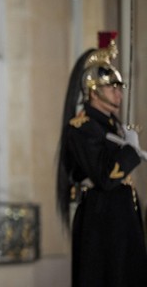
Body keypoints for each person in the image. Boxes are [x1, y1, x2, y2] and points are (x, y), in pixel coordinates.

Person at [56, 31, 147, 286]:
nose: (118, 94)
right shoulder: (82, 127)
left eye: (119, 88)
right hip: (102, 220)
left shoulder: (111, 126)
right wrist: (130, 151)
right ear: (93, 91)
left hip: (119, 217)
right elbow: (106, 177)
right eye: (112, 87)